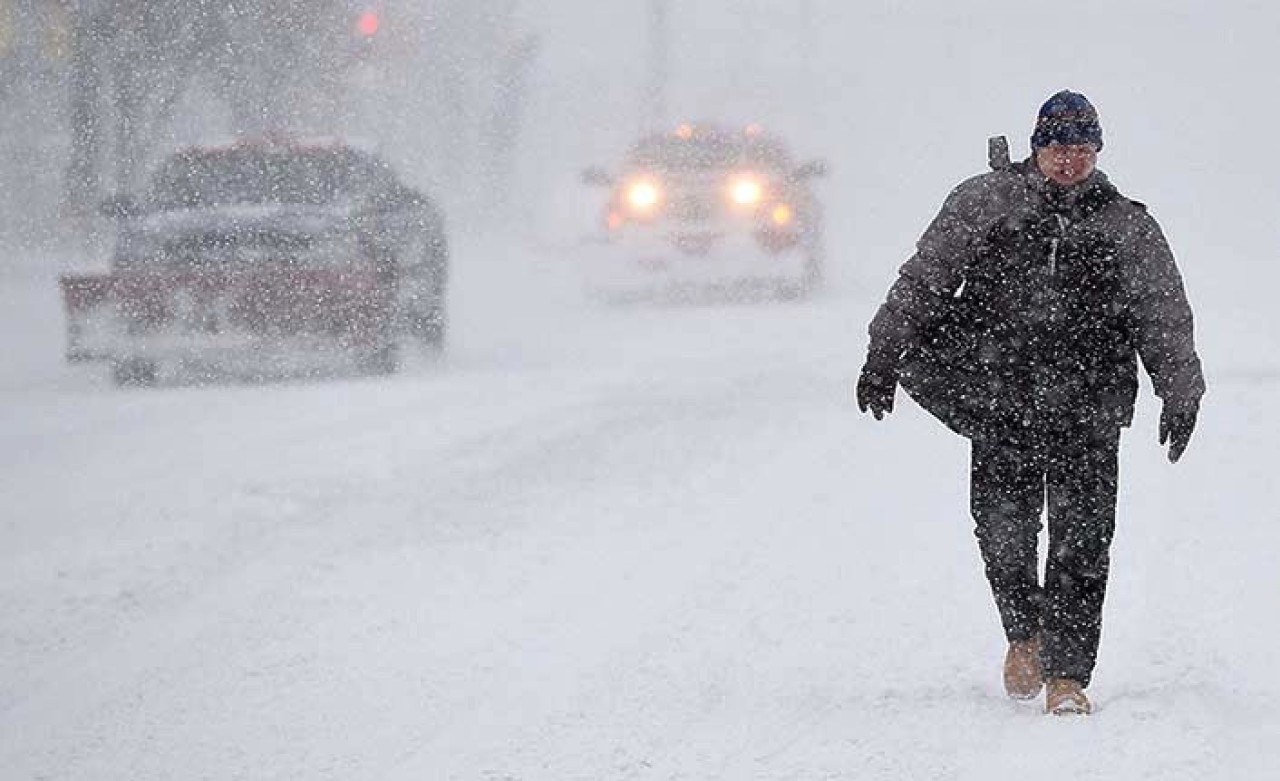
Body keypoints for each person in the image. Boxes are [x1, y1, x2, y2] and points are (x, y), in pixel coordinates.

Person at [855, 90, 1204, 715]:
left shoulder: (1126, 225)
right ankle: (1024, 634)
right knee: (1003, 532)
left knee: (1083, 540)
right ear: (1036, 146)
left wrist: (1180, 388)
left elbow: (1162, 313)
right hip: (1000, 398)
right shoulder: (985, 203)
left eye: (1080, 148)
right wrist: (884, 353)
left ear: (1096, 151)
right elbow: (925, 278)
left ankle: (1069, 677)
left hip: (1089, 407)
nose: (1067, 161)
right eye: (1055, 147)